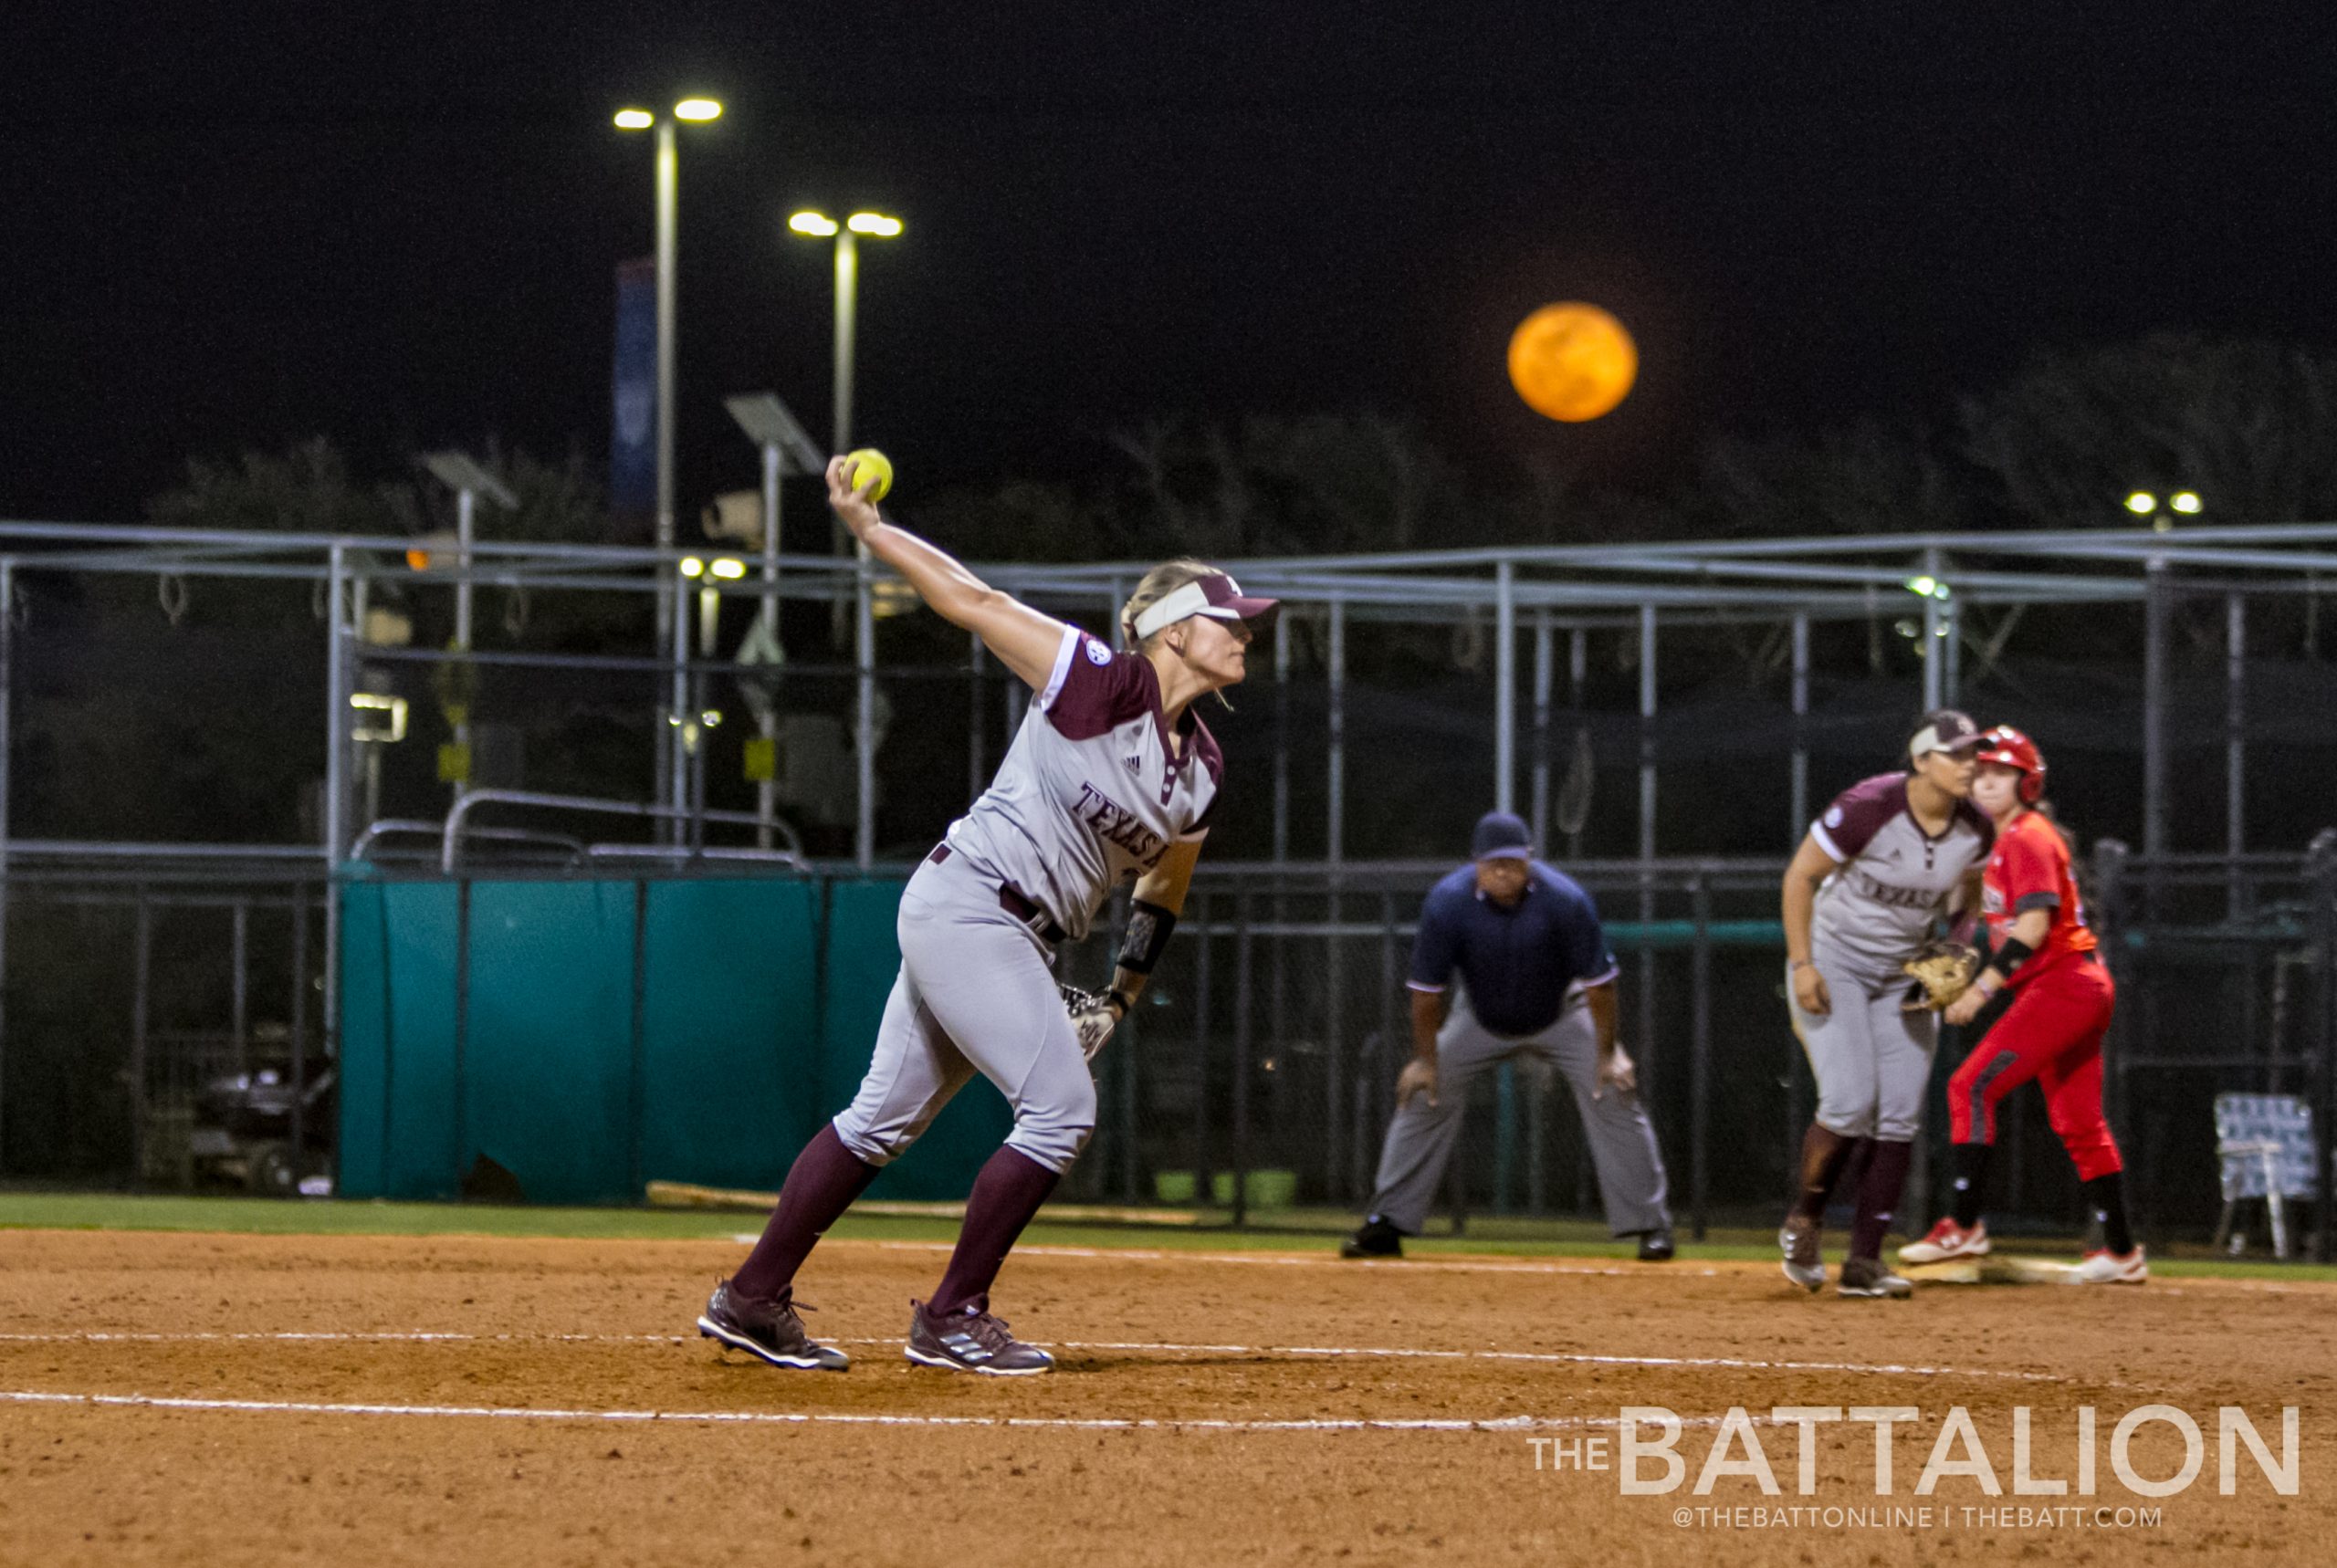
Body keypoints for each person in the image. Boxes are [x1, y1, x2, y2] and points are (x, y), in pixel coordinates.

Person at [697, 455, 1277, 1375]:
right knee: (1057, 1112)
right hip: (971, 905)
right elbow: (971, 601)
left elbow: (1162, 889)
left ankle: (752, 1297)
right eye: (1228, 619)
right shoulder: (1099, 680)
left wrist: (1120, 997)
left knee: (877, 1121)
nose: (1247, 633)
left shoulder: (1202, 766)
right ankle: (953, 1313)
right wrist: (871, 531)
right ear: (1169, 630)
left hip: (1012, 933)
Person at [1341, 810, 1674, 1261]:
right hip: (1478, 1017)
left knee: (1615, 1088)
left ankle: (1651, 1227)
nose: (1504, 871)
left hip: (1562, 1011)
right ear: (1475, 863)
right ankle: (1387, 1223)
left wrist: (1608, 1051)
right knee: (1423, 1093)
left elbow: (1600, 986)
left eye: (1514, 862)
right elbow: (1425, 995)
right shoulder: (1448, 902)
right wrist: (1425, 1060)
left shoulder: (1565, 900)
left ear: (1530, 860)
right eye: (1494, 862)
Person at [1899, 727, 2145, 1283]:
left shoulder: (2027, 838)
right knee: (2079, 1122)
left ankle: (1963, 1226)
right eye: (1980, 772)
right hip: (2077, 984)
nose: (1987, 782)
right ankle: (2123, 1253)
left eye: (2001, 773)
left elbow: (2032, 926)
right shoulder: (1997, 844)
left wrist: (1981, 989)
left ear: (2025, 781)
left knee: (1970, 1086)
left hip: (2063, 985)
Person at [1778, 710, 1992, 1299]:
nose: (1970, 763)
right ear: (1922, 760)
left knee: (1898, 1113)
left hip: (1902, 974)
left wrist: (1953, 949)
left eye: (1975, 753)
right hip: (1835, 960)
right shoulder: (1870, 806)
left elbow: (1968, 899)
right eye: (1956, 754)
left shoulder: (1976, 827)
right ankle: (1805, 1220)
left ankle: (1865, 1263)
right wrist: (1802, 963)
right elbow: (1800, 877)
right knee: (1849, 1101)